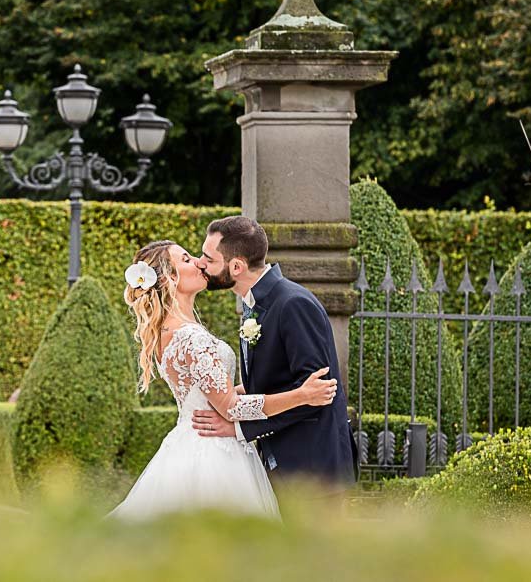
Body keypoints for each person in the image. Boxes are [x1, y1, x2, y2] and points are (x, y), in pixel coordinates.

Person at [109, 240, 337, 520]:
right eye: (186, 259)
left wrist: (262, 388)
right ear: (170, 277)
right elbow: (229, 407)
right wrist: (301, 395)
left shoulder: (170, 330)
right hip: (213, 452)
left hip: (188, 442)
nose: (198, 262)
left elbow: (212, 392)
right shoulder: (190, 337)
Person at [192, 216, 357, 491]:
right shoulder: (255, 303)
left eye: (208, 259)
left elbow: (316, 395)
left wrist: (240, 428)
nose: (200, 263)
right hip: (279, 462)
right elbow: (279, 376)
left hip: (312, 469)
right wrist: (231, 394)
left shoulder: (293, 304)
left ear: (236, 266)